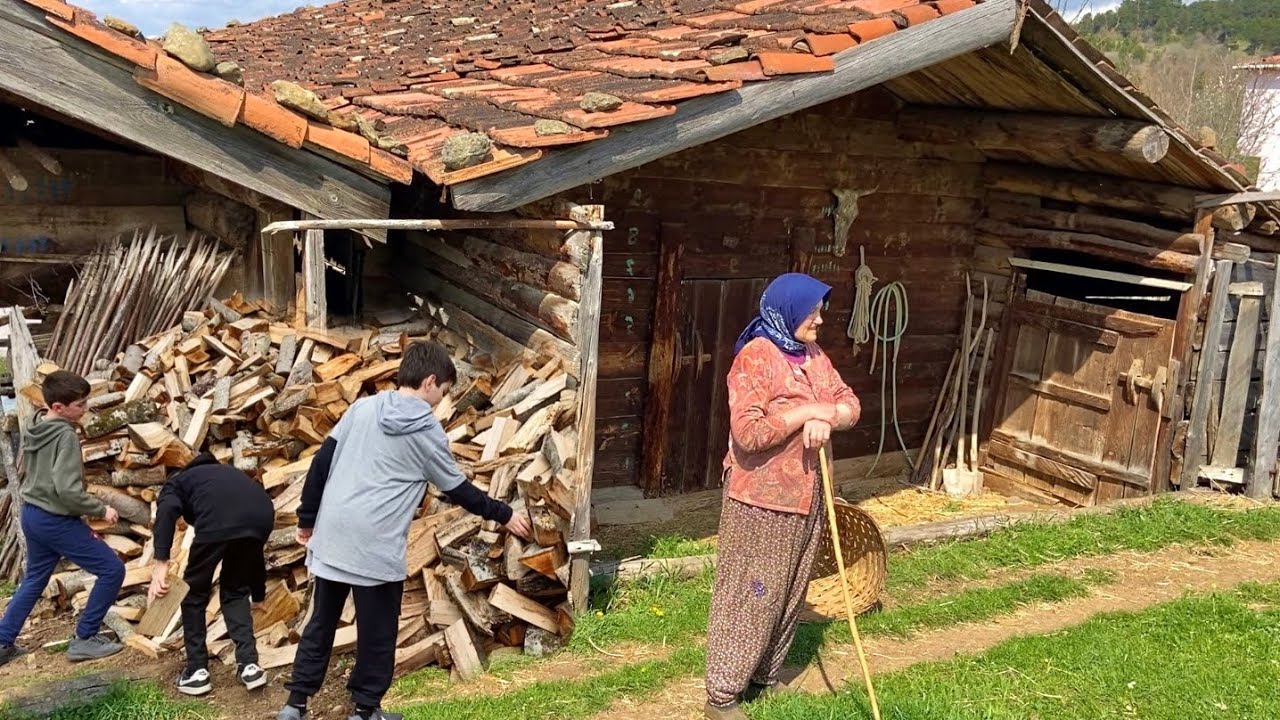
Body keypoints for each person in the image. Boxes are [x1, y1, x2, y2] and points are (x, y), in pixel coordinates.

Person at [276, 341, 533, 720]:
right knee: (378, 632)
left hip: (332, 535)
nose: (441, 402)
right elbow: (458, 489)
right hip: (374, 546)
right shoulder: (427, 433)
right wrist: (504, 513)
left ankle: (294, 705)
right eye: (444, 393)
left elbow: (320, 464)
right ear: (430, 381)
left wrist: (307, 520)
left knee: (321, 622)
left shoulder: (362, 407)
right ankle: (364, 711)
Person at [703, 273, 861, 720]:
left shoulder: (811, 355)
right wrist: (807, 412)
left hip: (808, 493)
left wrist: (830, 417)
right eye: (813, 311)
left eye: (820, 310)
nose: (820, 319)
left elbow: (851, 402)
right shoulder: (757, 357)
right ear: (788, 309)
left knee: (789, 592)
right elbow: (749, 433)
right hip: (761, 499)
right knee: (751, 593)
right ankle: (722, 694)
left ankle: (763, 678)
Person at [0, 370, 126, 666]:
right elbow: (67, 490)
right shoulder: (66, 437)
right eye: (80, 404)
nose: (85, 409)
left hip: (32, 514)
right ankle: (84, 638)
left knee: (34, 580)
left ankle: (2, 641)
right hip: (55, 519)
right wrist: (100, 510)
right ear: (58, 408)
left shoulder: (35, 425)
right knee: (112, 570)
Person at [148, 452, 274, 696]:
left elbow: (167, 511)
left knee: (194, 593)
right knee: (236, 590)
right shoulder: (230, 475)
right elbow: (256, 557)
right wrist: (258, 593)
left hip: (217, 521)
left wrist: (161, 562)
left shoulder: (178, 481)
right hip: (261, 515)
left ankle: (196, 672)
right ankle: (250, 665)